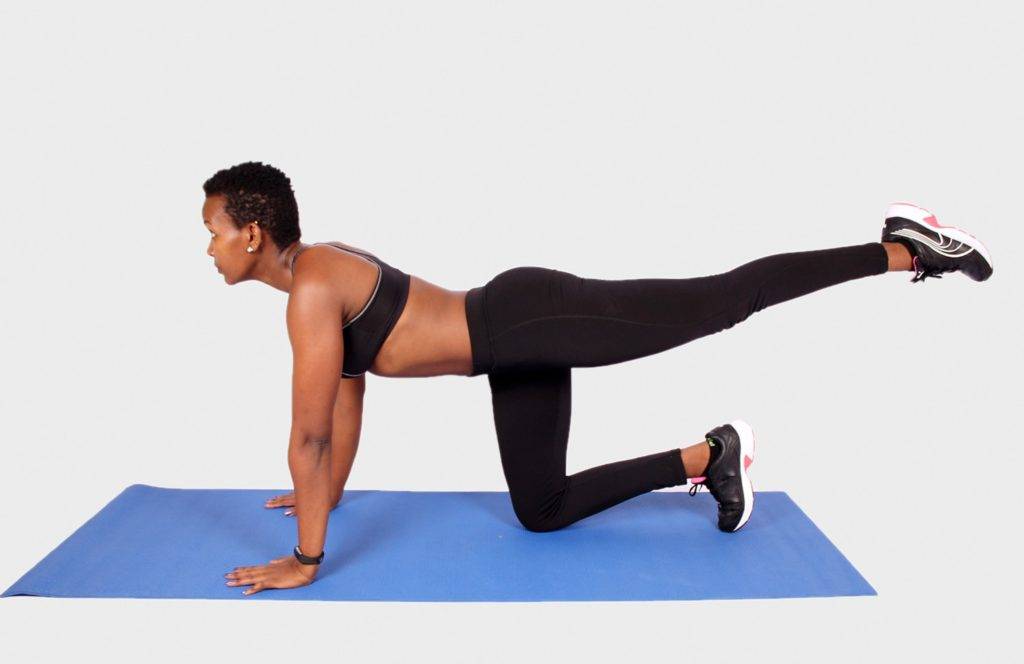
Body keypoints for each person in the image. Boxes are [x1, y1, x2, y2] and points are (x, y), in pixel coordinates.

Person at [207, 161, 993, 596]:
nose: (207, 248)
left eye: (212, 231)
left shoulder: (313, 288)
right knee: (541, 510)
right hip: (510, 351)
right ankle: (711, 456)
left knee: (723, 301)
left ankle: (906, 250)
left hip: (526, 320)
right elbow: (346, 398)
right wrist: (327, 494)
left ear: (252, 234)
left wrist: (306, 560)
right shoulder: (319, 276)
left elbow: (309, 436)